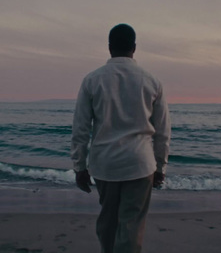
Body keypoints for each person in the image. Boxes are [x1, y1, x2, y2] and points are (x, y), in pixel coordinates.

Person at [71, 23, 171, 253]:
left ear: (109, 47)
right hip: (139, 164)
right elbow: (163, 131)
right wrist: (160, 166)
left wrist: (79, 166)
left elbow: (81, 128)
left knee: (108, 221)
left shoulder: (92, 80)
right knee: (131, 224)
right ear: (134, 48)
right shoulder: (152, 81)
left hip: (105, 164)